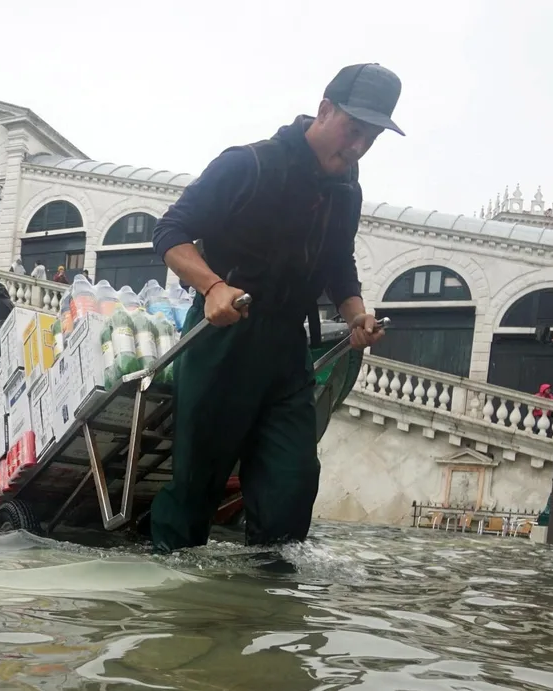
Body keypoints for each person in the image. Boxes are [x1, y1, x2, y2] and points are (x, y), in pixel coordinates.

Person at [145, 63, 399, 552]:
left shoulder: (348, 189)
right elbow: (170, 233)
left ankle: (269, 610)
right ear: (325, 110)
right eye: (354, 130)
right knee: (197, 485)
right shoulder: (248, 164)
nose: (359, 147)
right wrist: (213, 286)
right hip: (223, 336)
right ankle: (170, 605)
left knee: (292, 486)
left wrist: (356, 316)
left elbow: (338, 263)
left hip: (288, 350)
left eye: (371, 138)